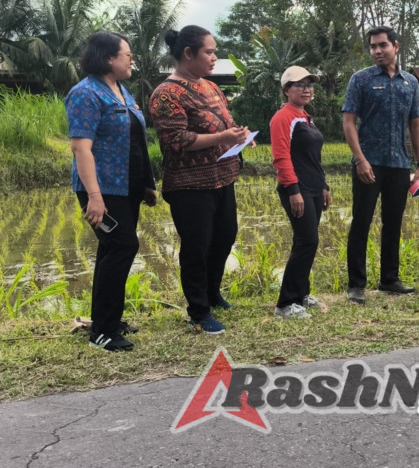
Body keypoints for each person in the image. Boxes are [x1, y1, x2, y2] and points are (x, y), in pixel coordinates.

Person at [150, 25, 253, 334]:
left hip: (223, 177)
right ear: (188, 54)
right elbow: (177, 140)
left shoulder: (211, 87)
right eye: (209, 51)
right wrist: (223, 136)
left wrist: (241, 136)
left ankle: (211, 293)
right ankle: (198, 310)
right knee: (197, 246)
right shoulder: (166, 94)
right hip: (189, 186)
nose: (214, 57)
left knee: (224, 237)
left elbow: (227, 122)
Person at [65, 31, 157, 352]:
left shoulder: (122, 91)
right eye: (127, 55)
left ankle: (108, 319)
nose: (131, 60)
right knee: (122, 247)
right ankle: (102, 332)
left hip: (127, 188)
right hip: (102, 189)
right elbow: (81, 148)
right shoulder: (85, 94)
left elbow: (134, 142)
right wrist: (94, 196)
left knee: (111, 250)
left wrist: (146, 184)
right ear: (108, 58)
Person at [342, 25, 419, 304]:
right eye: (373, 47)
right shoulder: (361, 80)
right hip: (369, 163)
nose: (377, 51)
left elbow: (415, 123)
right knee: (362, 222)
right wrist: (360, 159)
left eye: (382, 45)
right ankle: (356, 285)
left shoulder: (410, 83)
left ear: (396, 47)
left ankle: (389, 279)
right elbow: (349, 121)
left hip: (400, 164)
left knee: (393, 222)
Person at [270, 66, 331, 319]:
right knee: (307, 241)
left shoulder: (305, 117)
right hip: (297, 189)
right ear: (286, 90)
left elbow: (313, 158)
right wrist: (293, 190)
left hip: (314, 187)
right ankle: (285, 304)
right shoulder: (283, 118)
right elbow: (281, 157)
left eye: (309, 84)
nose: (306, 89)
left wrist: (324, 186)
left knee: (307, 241)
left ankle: (302, 294)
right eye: (299, 84)